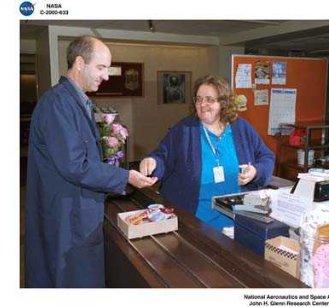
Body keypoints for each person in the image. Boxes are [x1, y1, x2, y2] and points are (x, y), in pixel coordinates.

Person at [25, 36, 157, 288]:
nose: (106, 76)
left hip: (77, 210)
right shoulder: (58, 103)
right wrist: (125, 176)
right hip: (68, 215)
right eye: (101, 67)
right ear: (79, 62)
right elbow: (75, 166)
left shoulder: (75, 101)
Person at [140, 75, 275, 230]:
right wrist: (152, 161)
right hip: (196, 221)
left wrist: (255, 172)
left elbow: (266, 156)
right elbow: (162, 156)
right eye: (198, 99)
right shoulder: (184, 130)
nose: (202, 104)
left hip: (239, 220)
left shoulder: (241, 128)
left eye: (209, 99)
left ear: (223, 103)